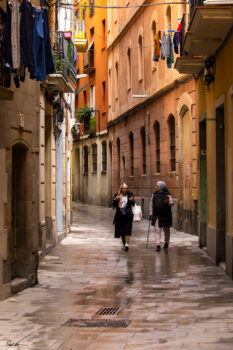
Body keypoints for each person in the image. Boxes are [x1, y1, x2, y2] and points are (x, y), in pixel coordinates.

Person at [149, 181, 174, 252]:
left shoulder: (167, 195)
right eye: (156, 186)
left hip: (165, 215)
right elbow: (151, 203)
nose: (155, 187)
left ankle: (166, 243)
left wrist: (168, 202)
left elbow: (172, 203)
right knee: (157, 230)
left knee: (166, 230)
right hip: (157, 214)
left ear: (161, 187)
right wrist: (151, 211)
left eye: (157, 186)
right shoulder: (154, 194)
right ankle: (158, 245)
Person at [113, 183, 135, 251]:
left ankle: (127, 244)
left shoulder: (130, 194)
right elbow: (113, 205)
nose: (125, 190)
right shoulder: (117, 195)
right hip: (120, 215)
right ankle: (124, 244)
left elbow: (133, 204)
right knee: (122, 231)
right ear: (121, 189)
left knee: (128, 229)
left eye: (126, 188)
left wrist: (132, 200)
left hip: (128, 215)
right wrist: (117, 200)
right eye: (123, 188)